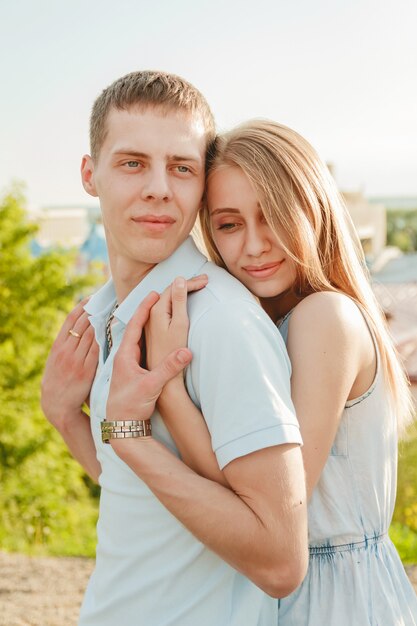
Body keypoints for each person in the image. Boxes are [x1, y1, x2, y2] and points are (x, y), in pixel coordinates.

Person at [41, 72, 308, 626]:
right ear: (90, 175)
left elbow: (282, 561)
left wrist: (129, 434)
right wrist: (68, 417)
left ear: (201, 182)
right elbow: (145, 503)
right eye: (133, 162)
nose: (160, 187)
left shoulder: (217, 321)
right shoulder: (105, 314)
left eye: (181, 167)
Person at [141, 119, 417, 624]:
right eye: (229, 223)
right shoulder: (264, 325)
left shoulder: (324, 317)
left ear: (314, 211)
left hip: (338, 600)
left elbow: (267, 508)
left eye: (273, 216)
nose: (254, 245)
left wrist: (170, 391)